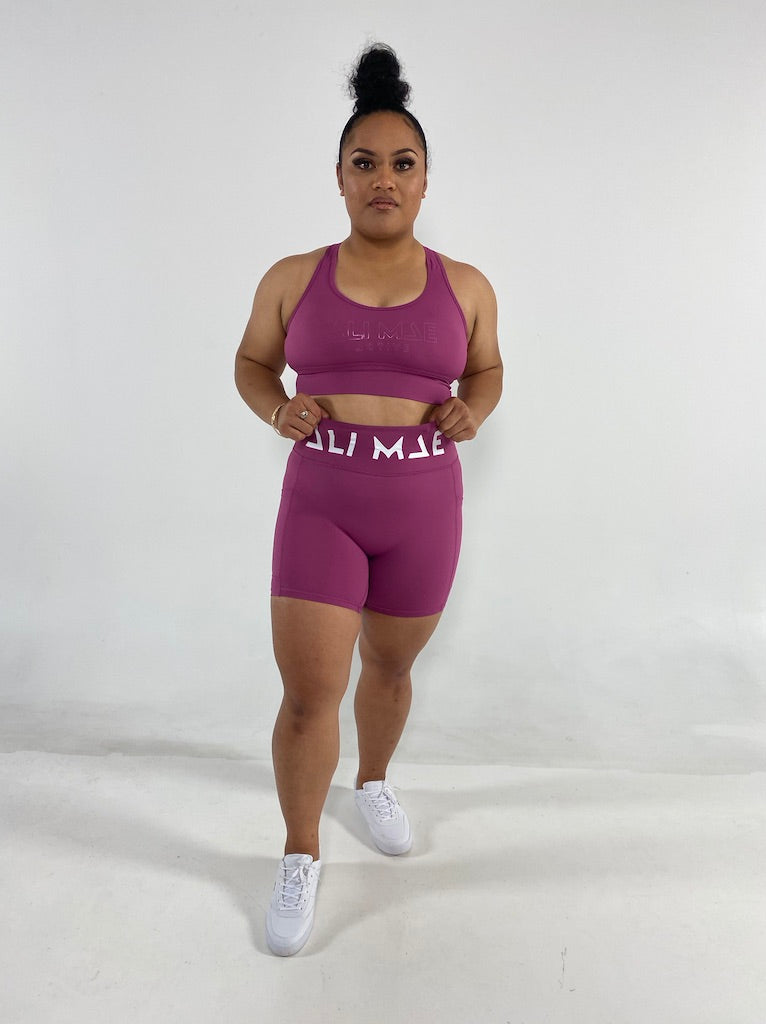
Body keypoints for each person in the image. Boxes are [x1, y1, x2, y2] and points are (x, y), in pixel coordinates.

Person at [234, 43, 503, 956]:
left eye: (402, 163)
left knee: (388, 670)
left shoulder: (467, 286)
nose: (383, 178)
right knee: (310, 696)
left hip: (423, 507)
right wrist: (276, 407)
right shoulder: (292, 276)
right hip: (325, 503)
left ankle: (374, 780)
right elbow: (252, 362)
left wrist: (475, 408)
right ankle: (300, 852)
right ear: (340, 178)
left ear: (424, 180)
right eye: (365, 162)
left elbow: (488, 369)